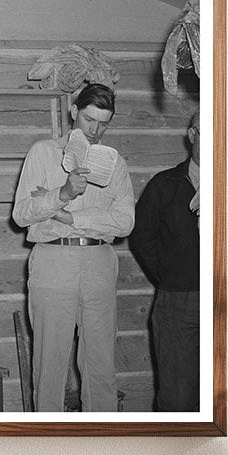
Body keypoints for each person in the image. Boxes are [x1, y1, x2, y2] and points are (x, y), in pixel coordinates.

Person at [12, 83, 135, 412]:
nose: (94, 131)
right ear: (73, 111)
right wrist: (62, 194)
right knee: (50, 366)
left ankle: (101, 443)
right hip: (53, 261)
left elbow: (124, 223)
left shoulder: (115, 163)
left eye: (103, 123)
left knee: (101, 366)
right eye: (89, 119)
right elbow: (22, 214)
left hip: (100, 263)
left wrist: (65, 215)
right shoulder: (43, 153)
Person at [129, 111, 201, 411]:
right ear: (192, 136)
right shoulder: (164, 184)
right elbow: (141, 237)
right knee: (177, 398)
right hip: (177, 303)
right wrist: (169, 276)